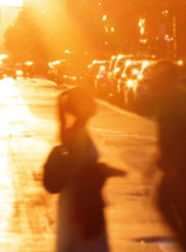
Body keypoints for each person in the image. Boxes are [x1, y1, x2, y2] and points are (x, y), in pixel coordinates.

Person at [139, 59, 186, 252]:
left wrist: (172, 167)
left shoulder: (172, 102)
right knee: (184, 208)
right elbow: (167, 138)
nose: (151, 83)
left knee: (171, 204)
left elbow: (175, 138)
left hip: (183, 167)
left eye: (155, 79)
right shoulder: (171, 99)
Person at [55, 87, 125, 252]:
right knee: (84, 244)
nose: (94, 105)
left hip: (78, 199)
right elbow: (82, 170)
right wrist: (106, 170)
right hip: (82, 202)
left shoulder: (76, 131)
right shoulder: (78, 134)